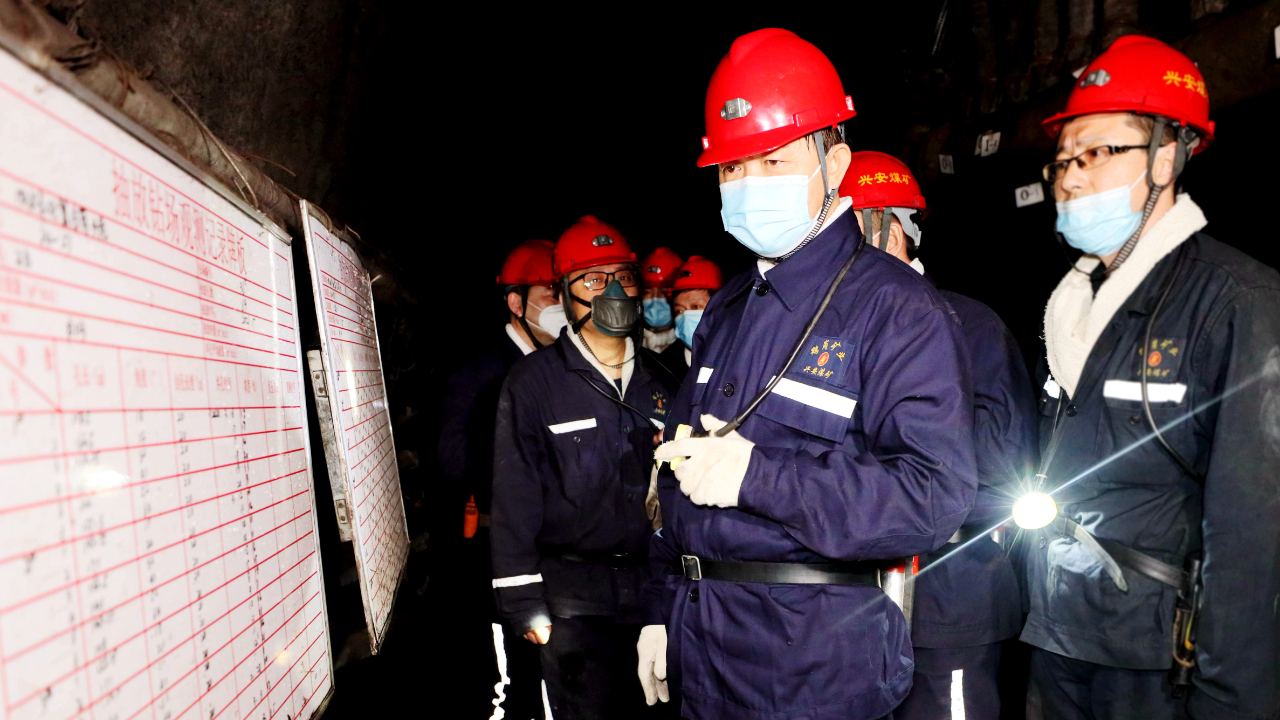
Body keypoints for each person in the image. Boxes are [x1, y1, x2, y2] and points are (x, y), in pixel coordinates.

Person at [638, 29, 978, 720]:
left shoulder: (897, 309)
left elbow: (933, 498)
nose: (748, 186)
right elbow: (674, 473)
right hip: (705, 645)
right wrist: (659, 607)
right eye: (732, 169)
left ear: (835, 161)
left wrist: (758, 477)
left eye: (774, 161)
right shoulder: (730, 305)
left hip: (816, 664)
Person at [1025, 35, 1280, 719]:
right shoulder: (1070, 307)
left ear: (1166, 157)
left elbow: (1253, 531)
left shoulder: (1236, 301)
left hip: (1159, 658)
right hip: (1057, 634)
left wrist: (1232, 697)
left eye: (1098, 152)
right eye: (1063, 159)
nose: (1071, 177)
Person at [839, 152, 1038, 720]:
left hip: (949, 601)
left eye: (840, 236)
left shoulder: (969, 327)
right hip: (846, 608)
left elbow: (1003, 466)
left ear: (890, 231)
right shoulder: (827, 339)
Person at [491, 215, 679, 719]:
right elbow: (514, 493)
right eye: (593, 279)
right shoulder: (534, 382)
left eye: (623, 276)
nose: (613, 291)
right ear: (564, 292)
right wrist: (522, 599)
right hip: (572, 601)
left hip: (652, 593)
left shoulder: (664, 382)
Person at [438, 239, 562, 719]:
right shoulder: (483, 371)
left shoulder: (563, 366)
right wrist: (527, 480)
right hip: (496, 549)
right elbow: (453, 458)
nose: (563, 303)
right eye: (550, 292)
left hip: (554, 550)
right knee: (509, 684)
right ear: (516, 302)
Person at [656, 255, 723, 382]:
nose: (686, 317)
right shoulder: (661, 369)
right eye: (679, 311)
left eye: (696, 307)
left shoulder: (741, 358)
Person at [641, 247, 684, 353]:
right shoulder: (629, 344)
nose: (655, 298)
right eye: (647, 292)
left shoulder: (690, 347)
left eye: (664, 292)